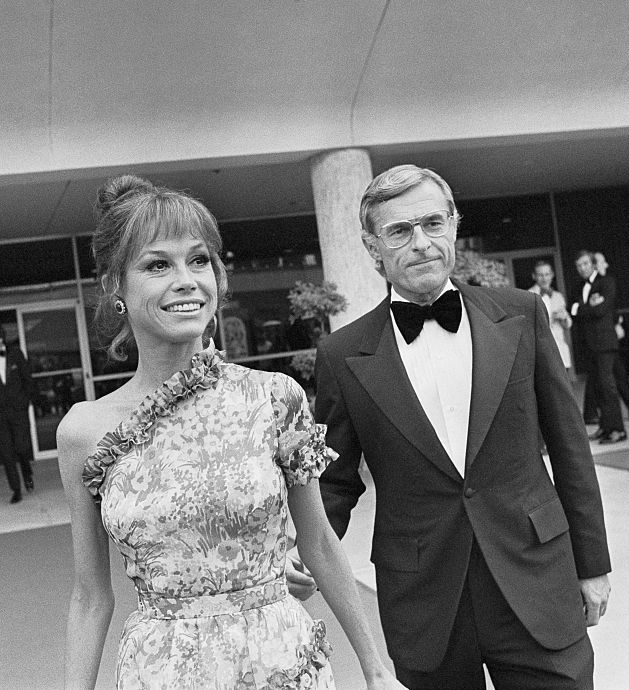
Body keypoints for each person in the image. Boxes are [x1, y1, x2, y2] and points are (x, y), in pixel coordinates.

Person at [57, 175, 402, 689]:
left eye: (199, 261)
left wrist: (376, 672)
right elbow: (90, 597)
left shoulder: (275, 398)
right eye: (157, 265)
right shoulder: (83, 432)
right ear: (115, 288)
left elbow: (321, 545)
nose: (186, 280)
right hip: (164, 673)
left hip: (281, 664)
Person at [302, 165, 611, 689]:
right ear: (373, 248)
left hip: (535, 577)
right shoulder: (341, 353)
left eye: (432, 224)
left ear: (453, 226)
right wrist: (306, 549)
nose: (420, 242)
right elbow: (335, 479)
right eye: (399, 231)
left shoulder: (522, 314)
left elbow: (569, 447)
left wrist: (593, 563)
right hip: (425, 599)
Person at [581, 252, 629, 423]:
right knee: (601, 378)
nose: (605, 265)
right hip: (599, 338)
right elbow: (595, 310)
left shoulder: (605, 283)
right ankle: (596, 414)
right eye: (602, 262)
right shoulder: (591, 285)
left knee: (617, 374)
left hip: (607, 337)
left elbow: (606, 307)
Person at [0, 325, 37, 504]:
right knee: (6, 452)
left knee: (21, 447)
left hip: (18, 410)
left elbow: (27, 379)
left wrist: (26, 401)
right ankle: (16, 489)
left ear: (0, 339)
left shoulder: (16, 354)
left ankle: (27, 470)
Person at [570, 251, 628, 444]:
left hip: (605, 342)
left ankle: (618, 430)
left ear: (593, 264)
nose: (583, 268)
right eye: (579, 265)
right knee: (598, 387)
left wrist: (582, 308)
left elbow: (602, 310)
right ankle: (605, 427)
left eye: (586, 264)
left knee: (607, 385)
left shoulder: (606, 282)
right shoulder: (579, 286)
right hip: (589, 344)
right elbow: (573, 311)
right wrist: (588, 307)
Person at [527, 260, 573, 371]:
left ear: (552, 275)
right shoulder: (528, 295)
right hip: (541, 350)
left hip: (559, 348)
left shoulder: (558, 296)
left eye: (547, 274)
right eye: (540, 275)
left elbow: (568, 324)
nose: (544, 278)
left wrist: (564, 318)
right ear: (534, 276)